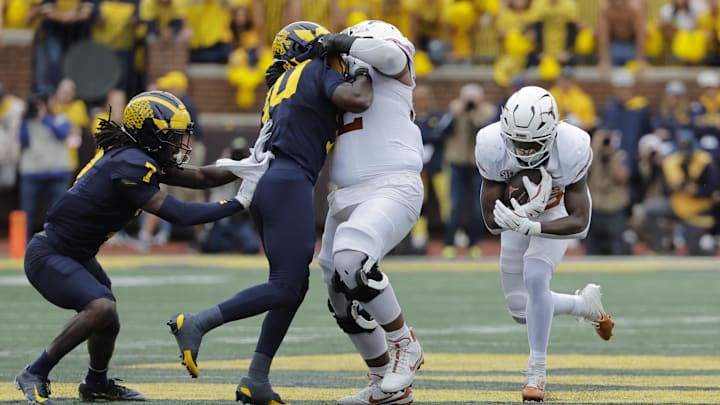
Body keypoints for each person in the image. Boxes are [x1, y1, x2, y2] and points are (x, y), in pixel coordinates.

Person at [14, 90, 269, 405]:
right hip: (50, 254)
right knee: (101, 307)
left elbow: (202, 176)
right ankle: (35, 371)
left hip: (75, 253)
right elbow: (179, 213)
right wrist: (238, 202)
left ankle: (96, 383)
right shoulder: (132, 164)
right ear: (151, 134)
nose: (180, 144)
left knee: (109, 319)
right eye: (173, 136)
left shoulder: (138, 156)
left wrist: (250, 165)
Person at [167, 21, 373, 404]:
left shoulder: (280, 86)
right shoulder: (313, 71)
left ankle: (256, 379)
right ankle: (197, 323)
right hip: (287, 181)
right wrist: (365, 67)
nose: (335, 60)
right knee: (285, 285)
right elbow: (358, 99)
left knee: (292, 288)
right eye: (328, 53)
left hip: (270, 183)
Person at [475, 86, 615, 402]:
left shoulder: (573, 146)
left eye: (531, 143)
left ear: (552, 131)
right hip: (516, 215)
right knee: (519, 309)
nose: (523, 151)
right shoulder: (490, 143)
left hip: (557, 210)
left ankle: (536, 372)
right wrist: (511, 219)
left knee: (535, 277)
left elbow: (580, 222)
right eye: (517, 142)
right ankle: (584, 306)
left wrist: (535, 226)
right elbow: (489, 218)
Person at [313, 20, 425, 404]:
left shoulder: (391, 54)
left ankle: (403, 343)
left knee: (351, 262)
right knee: (338, 293)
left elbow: (391, 54)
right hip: (344, 195)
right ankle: (383, 383)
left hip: (392, 183)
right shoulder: (346, 76)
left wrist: (342, 41)